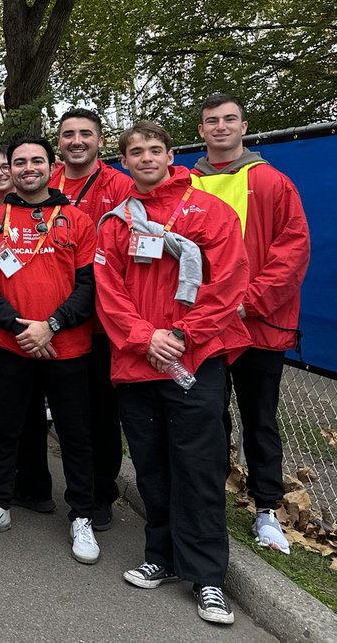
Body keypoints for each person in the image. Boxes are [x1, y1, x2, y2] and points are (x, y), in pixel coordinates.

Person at [95, 121, 250, 626]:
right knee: (153, 468)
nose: (145, 158)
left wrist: (182, 335)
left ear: (169, 154)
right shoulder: (116, 224)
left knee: (199, 467)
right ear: (124, 160)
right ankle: (161, 556)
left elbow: (228, 283)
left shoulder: (209, 211)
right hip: (138, 365)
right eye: (135, 151)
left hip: (195, 358)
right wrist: (146, 338)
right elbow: (110, 293)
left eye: (154, 149)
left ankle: (207, 577)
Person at [0, 136, 100, 564]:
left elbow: (88, 285)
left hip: (68, 346)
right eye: (19, 162)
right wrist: (20, 329)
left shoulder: (77, 220)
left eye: (35, 161)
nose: (27, 168)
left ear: (51, 165)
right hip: (11, 345)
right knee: (6, 429)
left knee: (76, 433)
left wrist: (52, 326)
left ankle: (82, 515)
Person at [190, 94, 310, 554]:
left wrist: (245, 302)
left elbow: (291, 252)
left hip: (258, 327)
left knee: (260, 419)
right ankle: (209, 501)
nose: (220, 127)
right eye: (211, 121)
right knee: (208, 418)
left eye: (229, 120)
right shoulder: (186, 184)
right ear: (201, 131)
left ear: (244, 126)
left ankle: (266, 510)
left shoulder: (273, 182)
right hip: (204, 329)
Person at [36, 108, 135, 527]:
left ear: (100, 140)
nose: (77, 141)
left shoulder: (121, 184)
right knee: (67, 413)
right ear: (58, 141)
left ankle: (100, 494)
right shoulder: (46, 179)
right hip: (52, 318)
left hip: (103, 320)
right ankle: (53, 488)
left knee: (100, 412)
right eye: (68, 134)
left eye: (85, 134)